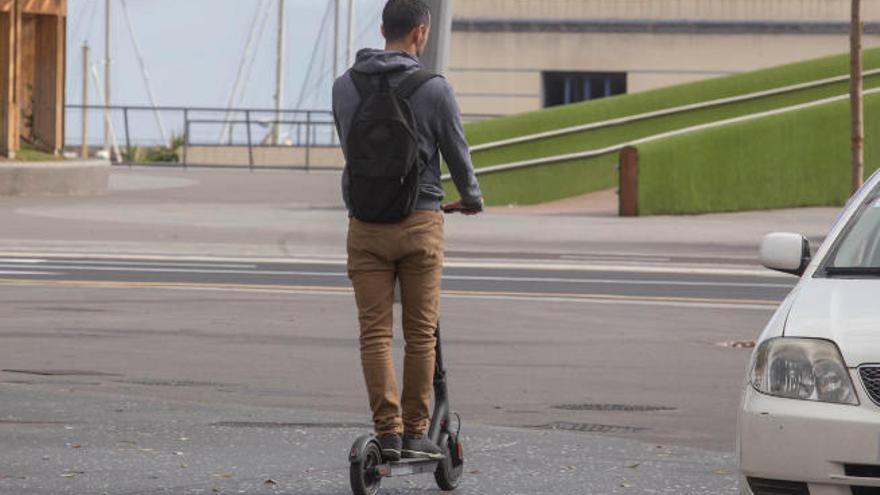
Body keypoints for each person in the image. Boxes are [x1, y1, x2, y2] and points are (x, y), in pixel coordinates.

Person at [332, 0, 483, 461]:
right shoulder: (434, 89)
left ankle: (388, 432)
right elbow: (457, 155)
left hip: (366, 224)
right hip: (420, 221)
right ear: (421, 32)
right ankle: (417, 431)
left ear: (382, 29)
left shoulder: (344, 86)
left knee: (374, 334)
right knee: (420, 335)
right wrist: (471, 199)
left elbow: (351, 149)